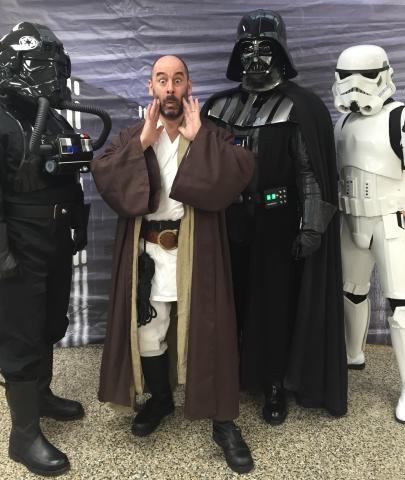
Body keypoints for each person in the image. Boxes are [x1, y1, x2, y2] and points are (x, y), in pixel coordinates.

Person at [91, 55, 255, 474]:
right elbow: (104, 173)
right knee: (149, 334)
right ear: (150, 88)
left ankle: (223, 423)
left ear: (188, 86)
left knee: (210, 333)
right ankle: (161, 400)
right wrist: (142, 144)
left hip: (197, 254)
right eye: (161, 80)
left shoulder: (209, 133)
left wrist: (201, 142)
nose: (169, 89)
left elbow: (241, 171)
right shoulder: (134, 136)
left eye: (177, 80)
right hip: (149, 255)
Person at [203, 9, 347, 424]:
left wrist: (312, 225)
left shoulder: (300, 106)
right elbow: (205, 168)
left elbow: (310, 170)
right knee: (230, 303)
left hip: (278, 221)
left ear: (280, 53)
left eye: (265, 48)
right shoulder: (219, 106)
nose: (255, 57)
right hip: (228, 224)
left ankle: (272, 384)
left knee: (273, 306)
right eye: (247, 49)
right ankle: (231, 375)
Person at [0, 22, 97, 476]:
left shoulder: (53, 115)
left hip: (55, 238)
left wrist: (76, 225)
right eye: (47, 67)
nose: (55, 76)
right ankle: (22, 436)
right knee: (21, 333)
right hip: (19, 245)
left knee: (50, 318)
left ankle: (41, 396)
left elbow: (70, 172)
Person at [333, 44, 405, 423]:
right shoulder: (340, 122)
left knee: (400, 305)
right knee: (351, 293)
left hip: (388, 220)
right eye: (346, 77)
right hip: (348, 218)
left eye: (365, 76)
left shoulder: (400, 117)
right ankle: (352, 354)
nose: (355, 86)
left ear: (383, 74)